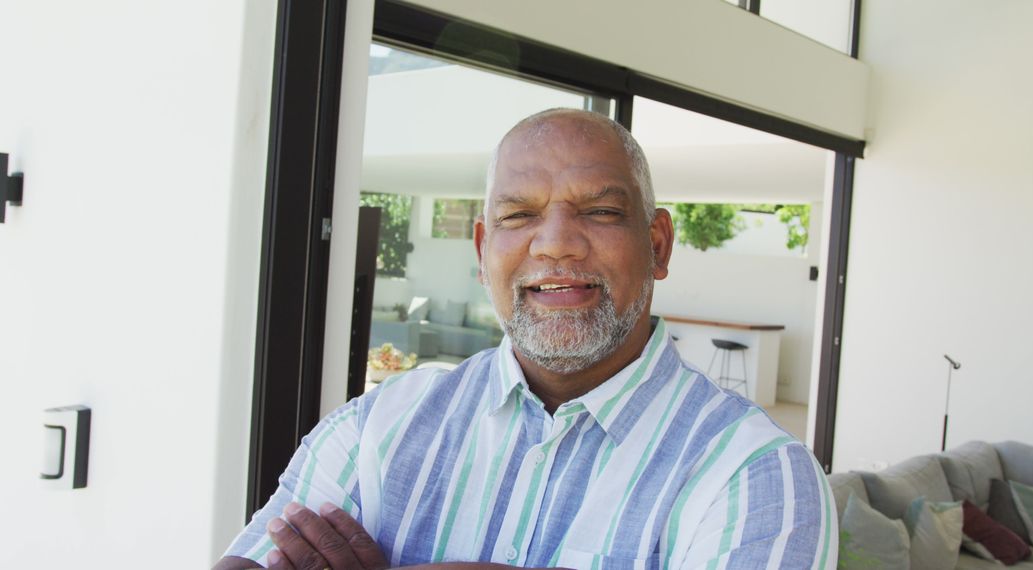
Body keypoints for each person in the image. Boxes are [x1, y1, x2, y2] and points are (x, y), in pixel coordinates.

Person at [215, 108, 837, 570]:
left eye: (599, 211)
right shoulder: (378, 426)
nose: (556, 243)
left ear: (658, 245)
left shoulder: (757, 476)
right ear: (484, 252)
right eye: (518, 216)